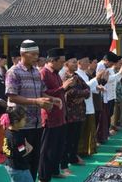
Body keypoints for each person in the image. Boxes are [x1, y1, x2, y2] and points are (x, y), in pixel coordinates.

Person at [6, 39, 62, 181]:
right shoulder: (14, 72)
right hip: (20, 125)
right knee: (21, 160)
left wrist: (53, 99)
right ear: (23, 54)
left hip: (37, 124)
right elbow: (12, 97)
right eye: (34, 54)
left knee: (34, 161)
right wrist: (36, 102)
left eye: (37, 54)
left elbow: (42, 92)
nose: (37, 57)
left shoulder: (36, 73)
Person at [38, 48, 72, 181]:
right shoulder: (44, 73)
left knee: (58, 148)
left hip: (60, 117)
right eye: (61, 62)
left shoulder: (56, 73)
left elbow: (58, 92)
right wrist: (63, 88)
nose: (63, 65)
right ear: (52, 60)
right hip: (49, 117)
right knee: (47, 150)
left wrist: (64, 88)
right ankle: (43, 177)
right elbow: (43, 94)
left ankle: (54, 171)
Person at [61, 51, 90, 171]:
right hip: (69, 113)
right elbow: (69, 93)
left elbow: (87, 89)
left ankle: (73, 157)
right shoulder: (63, 77)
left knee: (76, 137)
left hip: (79, 113)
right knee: (67, 138)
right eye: (73, 62)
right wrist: (81, 94)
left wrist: (82, 96)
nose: (75, 64)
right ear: (66, 64)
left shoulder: (77, 76)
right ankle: (65, 161)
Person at [76, 52, 104, 156]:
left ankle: (88, 150)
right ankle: (80, 151)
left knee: (90, 128)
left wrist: (97, 87)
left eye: (88, 62)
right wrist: (96, 78)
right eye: (86, 62)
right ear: (79, 63)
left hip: (89, 104)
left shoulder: (84, 74)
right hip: (82, 106)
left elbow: (89, 88)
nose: (88, 64)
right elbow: (85, 87)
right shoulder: (77, 74)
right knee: (83, 130)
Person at [3, 106, 33, 182]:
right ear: (16, 122)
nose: (26, 121)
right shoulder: (17, 139)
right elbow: (22, 152)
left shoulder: (8, 131)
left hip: (10, 165)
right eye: (24, 119)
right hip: (19, 168)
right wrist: (28, 149)